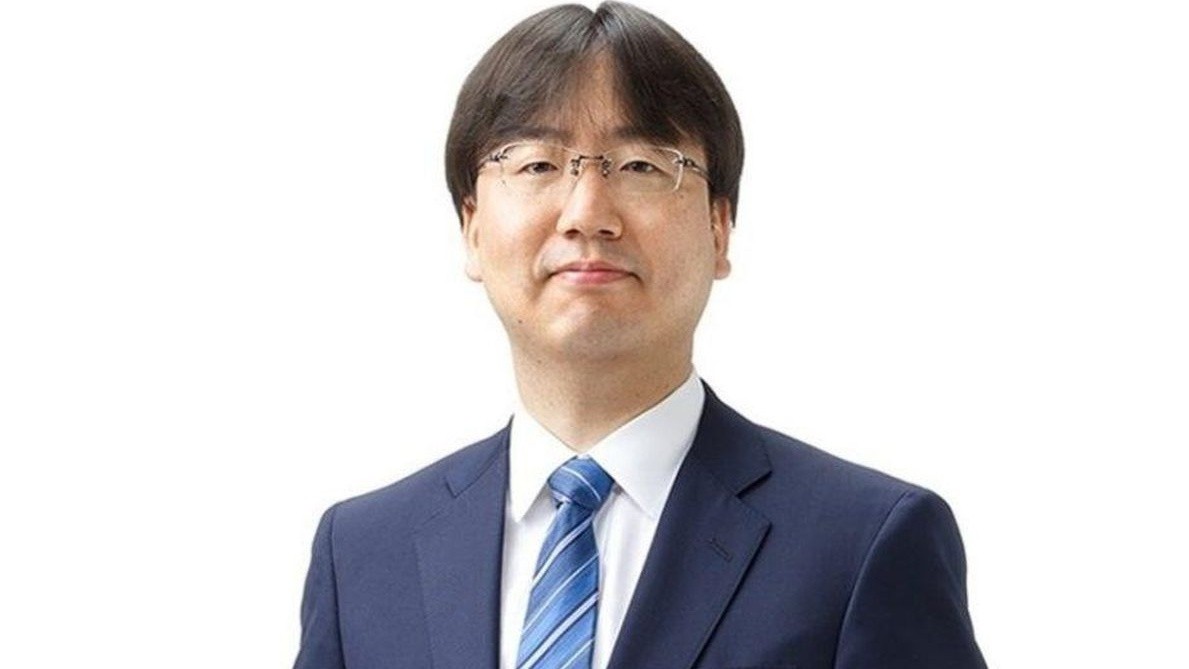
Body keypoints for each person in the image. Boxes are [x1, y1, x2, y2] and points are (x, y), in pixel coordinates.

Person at [293, 3, 986, 668]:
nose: (586, 213)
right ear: (472, 228)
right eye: (536, 164)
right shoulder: (362, 556)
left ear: (719, 228)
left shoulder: (862, 545)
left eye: (641, 166)